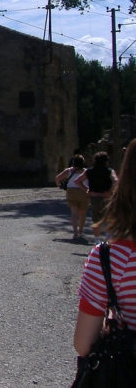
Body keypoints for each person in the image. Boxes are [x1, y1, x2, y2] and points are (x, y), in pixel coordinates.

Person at [73, 140, 136, 359]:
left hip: (97, 203)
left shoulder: (108, 260)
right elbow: (114, 180)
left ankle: (89, 234)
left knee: (97, 222)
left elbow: (84, 345)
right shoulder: (109, 172)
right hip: (105, 198)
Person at [74, 151, 118, 244]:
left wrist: (86, 189)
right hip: (107, 197)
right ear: (106, 161)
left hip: (94, 197)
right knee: (109, 218)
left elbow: (77, 181)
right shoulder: (109, 171)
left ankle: (97, 240)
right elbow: (116, 181)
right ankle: (108, 239)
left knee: (96, 219)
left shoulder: (89, 171)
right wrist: (110, 191)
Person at [55, 155, 88, 239]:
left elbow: (57, 178)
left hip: (71, 191)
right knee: (82, 213)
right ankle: (81, 231)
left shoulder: (68, 171)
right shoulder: (86, 172)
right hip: (83, 191)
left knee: (74, 213)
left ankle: (75, 233)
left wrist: (59, 186)